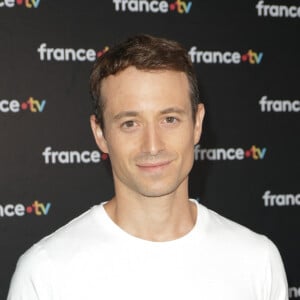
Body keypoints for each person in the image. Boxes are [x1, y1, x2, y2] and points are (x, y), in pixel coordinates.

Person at [7, 34, 288, 300]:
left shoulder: (257, 260)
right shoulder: (46, 273)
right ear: (100, 134)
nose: (152, 145)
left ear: (197, 123)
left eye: (170, 119)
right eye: (130, 123)